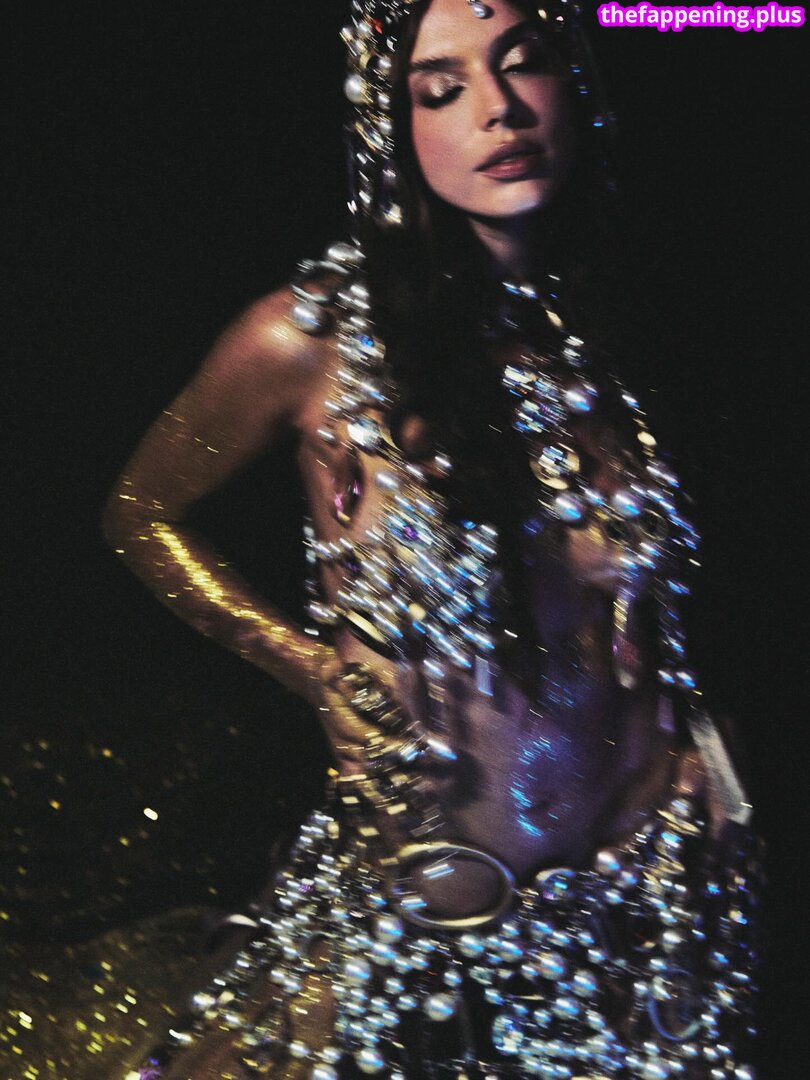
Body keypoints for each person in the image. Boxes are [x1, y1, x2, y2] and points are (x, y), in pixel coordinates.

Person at [104, 1, 760, 1077]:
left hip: (650, 900)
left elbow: (676, 603)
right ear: (391, 127)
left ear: (576, 88)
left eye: (524, 64)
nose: (499, 109)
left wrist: (713, 757)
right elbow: (141, 514)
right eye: (442, 89)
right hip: (429, 902)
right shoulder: (312, 339)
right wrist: (307, 667)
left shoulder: (627, 320)